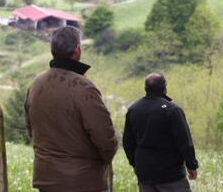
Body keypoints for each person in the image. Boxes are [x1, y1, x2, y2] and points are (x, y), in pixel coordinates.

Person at [24, 26, 118, 192]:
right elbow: (104, 137)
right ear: (77, 50)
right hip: (84, 182)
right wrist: (105, 158)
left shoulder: (36, 84)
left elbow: (31, 128)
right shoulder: (84, 88)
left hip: (46, 179)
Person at [123, 72, 199, 192]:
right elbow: (184, 142)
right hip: (170, 175)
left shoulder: (133, 110)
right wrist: (191, 165)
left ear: (145, 88)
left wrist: (136, 164)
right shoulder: (172, 110)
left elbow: (127, 143)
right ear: (164, 87)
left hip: (145, 173)